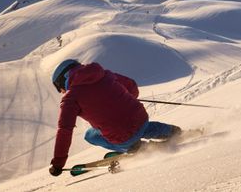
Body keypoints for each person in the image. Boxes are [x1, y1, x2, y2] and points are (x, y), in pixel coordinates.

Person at [47, 59, 181, 176]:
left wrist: (58, 163)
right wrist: (121, 102)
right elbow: (132, 86)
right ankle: (170, 131)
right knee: (140, 125)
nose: (62, 92)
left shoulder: (70, 97)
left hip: (121, 136)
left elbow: (65, 129)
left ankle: (137, 148)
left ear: (63, 79)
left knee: (90, 135)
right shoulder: (103, 74)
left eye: (60, 89)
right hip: (141, 118)